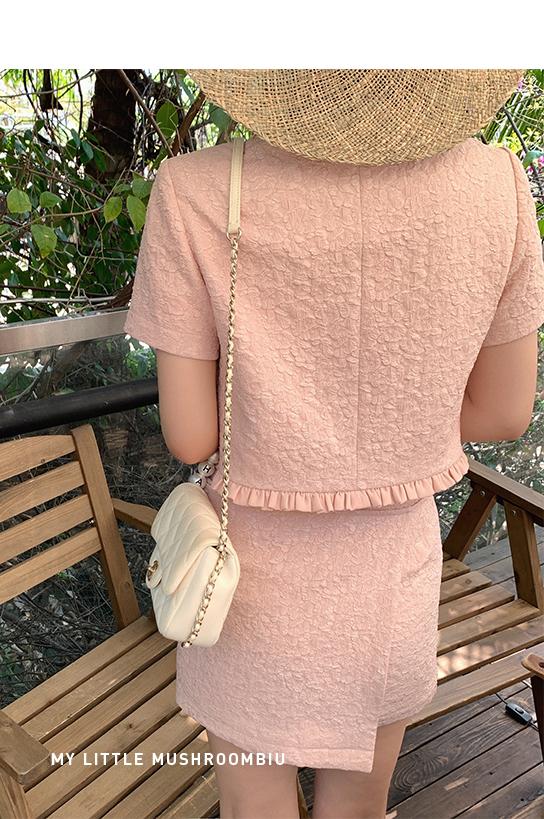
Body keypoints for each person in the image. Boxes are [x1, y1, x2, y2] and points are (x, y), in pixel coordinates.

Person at [123, 69, 544, 819]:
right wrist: (391, 431)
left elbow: (191, 436)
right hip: (392, 572)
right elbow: (506, 412)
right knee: (358, 807)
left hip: (247, 574)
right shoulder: (497, 184)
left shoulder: (197, 190)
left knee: (255, 806)